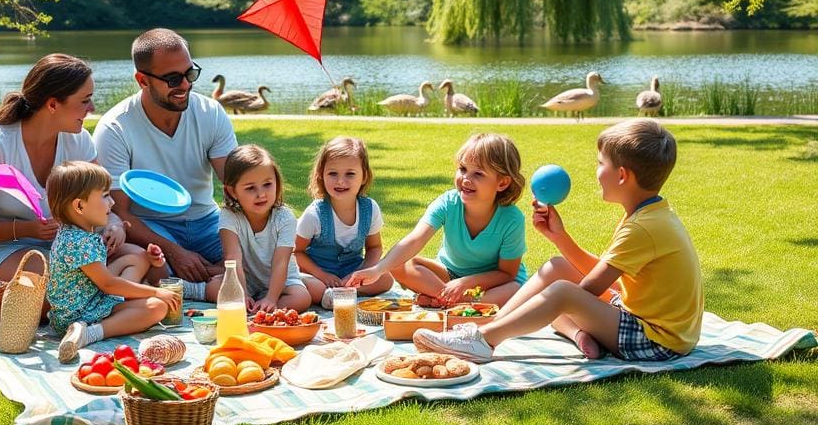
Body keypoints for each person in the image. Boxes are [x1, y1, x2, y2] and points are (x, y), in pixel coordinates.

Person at [413, 119, 704, 363]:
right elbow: (604, 275)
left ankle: (484, 340)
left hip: (657, 341)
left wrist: (552, 303)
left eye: (600, 163)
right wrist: (558, 236)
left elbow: (588, 289)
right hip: (646, 320)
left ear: (622, 175)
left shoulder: (642, 228)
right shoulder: (649, 214)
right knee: (555, 268)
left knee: (562, 292)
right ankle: (494, 327)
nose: (596, 170)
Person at [0, 54, 130, 282]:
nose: (92, 108)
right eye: (85, 101)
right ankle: (113, 298)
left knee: (147, 261)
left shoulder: (79, 140)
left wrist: (113, 225)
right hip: (1, 252)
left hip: (67, 249)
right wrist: (27, 229)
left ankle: (109, 297)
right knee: (57, 285)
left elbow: (100, 200)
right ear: (53, 104)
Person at [94, 29, 238, 300]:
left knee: (257, 252)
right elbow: (118, 213)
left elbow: (235, 185)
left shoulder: (210, 113)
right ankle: (206, 285)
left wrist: (240, 248)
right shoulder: (115, 128)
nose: (184, 85)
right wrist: (174, 251)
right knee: (146, 261)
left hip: (206, 219)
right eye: (172, 79)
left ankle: (194, 284)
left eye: (190, 73)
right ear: (142, 80)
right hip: (149, 225)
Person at [347, 133, 528, 308]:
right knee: (400, 265)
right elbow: (415, 239)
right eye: (463, 169)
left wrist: (467, 282)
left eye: (478, 174)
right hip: (448, 276)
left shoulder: (512, 219)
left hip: (489, 284)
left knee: (515, 290)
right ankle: (459, 302)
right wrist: (378, 270)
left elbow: (507, 273)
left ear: (502, 183)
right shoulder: (448, 203)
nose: (466, 179)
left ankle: (450, 300)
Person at [44, 162, 181, 363]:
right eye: (105, 195)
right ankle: (90, 333)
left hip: (88, 298)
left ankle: (126, 301)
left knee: (137, 258)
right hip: (79, 314)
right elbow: (109, 284)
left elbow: (99, 277)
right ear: (80, 205)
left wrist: (149, 260)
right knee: (157, 307)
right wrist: (155, 291)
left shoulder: (76, 233)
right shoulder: (78, 242)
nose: (112, 203)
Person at [204, 144, 311, 312]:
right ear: (232, 192)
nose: (261, 194)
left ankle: (262, 308)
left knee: (302, 299)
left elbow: (281, 262)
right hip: (247, 280)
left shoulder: (285, 218)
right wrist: (242, 294)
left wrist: (271, 298)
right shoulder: (229, 216)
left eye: (267, 184)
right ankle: (254, 303)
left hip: (282, 281)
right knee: (213, 288)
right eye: (250, 188)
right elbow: (232, 258)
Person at [295, 136, 392, 308]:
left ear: (364, 176)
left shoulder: (370, 209)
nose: (340, 181)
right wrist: (323, 275)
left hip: (352, 269)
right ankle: (330, 295)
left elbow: (374, 248)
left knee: (386, 279)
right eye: (333, 173)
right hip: (318, 274)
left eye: (350, 174)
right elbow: (296, 252)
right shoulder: (314, 214)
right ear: (321, 175)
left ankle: (345, 292)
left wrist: (360, 274)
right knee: (308, 285)